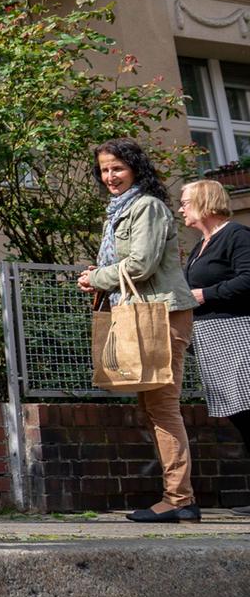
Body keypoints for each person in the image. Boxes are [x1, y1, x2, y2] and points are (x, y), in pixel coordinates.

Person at [76, 139, 200, 523]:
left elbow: (141, 264)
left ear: (135, 168)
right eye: (104, 170)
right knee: (153, 406)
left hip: (162, 312)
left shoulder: (146, 206)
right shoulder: (121, 210)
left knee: (163, 406)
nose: (110, 177)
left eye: (117, 168)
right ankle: (178, 497)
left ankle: (179, 499)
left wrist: (97, 277)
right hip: (147, 311)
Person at [178, 177, 250, 517]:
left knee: (247, 411)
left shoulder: (236, 236)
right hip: (208, 335)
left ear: (205, 202)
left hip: (235, 331)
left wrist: (205, 294)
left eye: (185, 202)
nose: (180, 208)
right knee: (240, 414)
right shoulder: (201, 245)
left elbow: (248, 279)